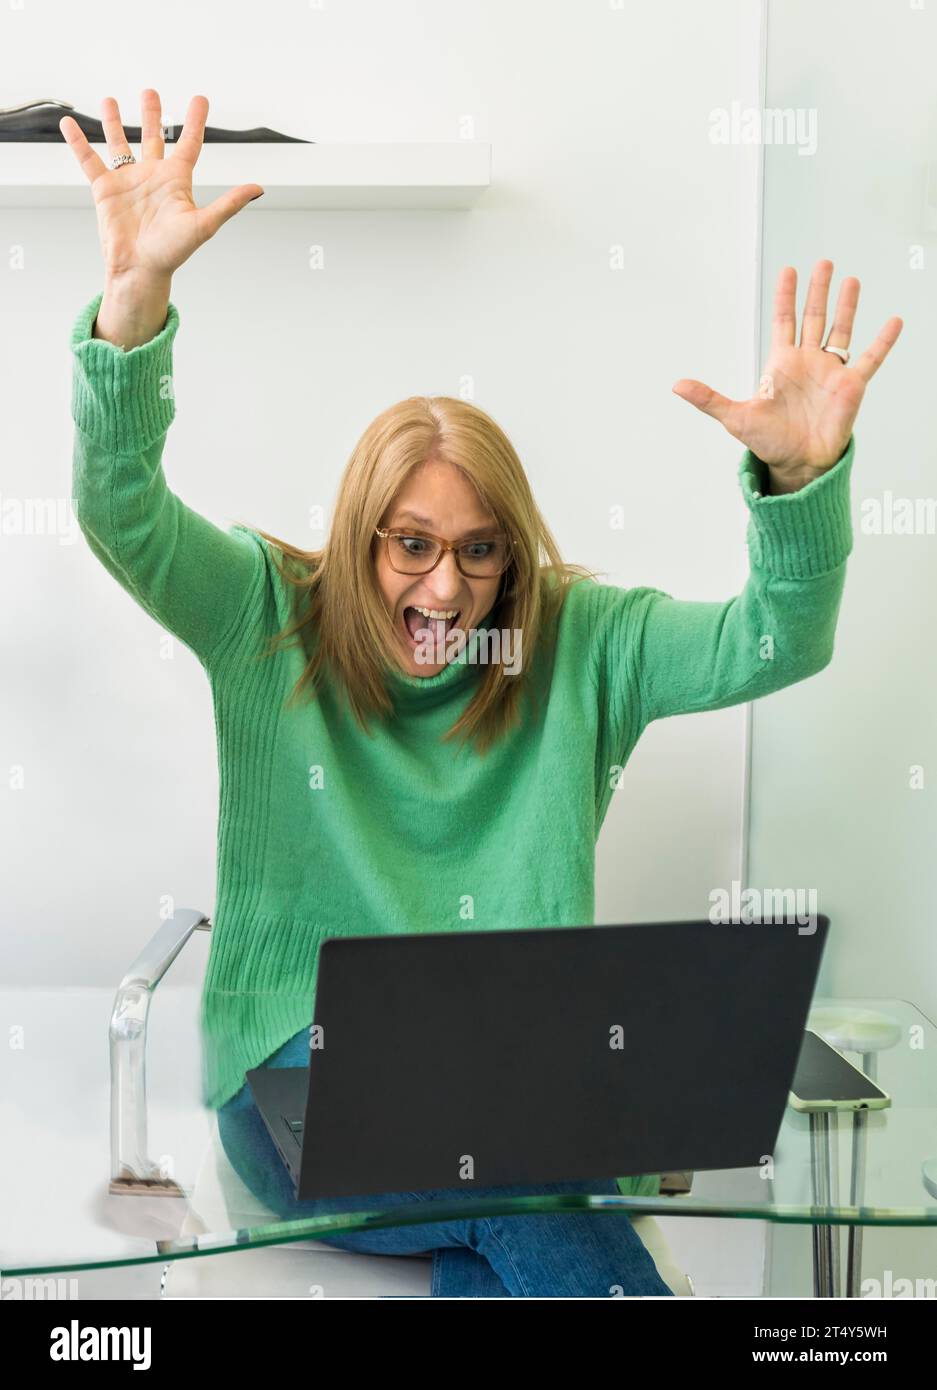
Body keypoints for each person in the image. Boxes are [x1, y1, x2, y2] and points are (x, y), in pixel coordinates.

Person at [62, 90, 902, 1298]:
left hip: (521, 1093)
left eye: (479, 550)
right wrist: (135, 308)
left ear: (515, 551)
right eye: (409, 544)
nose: (446, 588)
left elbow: (773, 643)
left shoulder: (579, 639)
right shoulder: (264, 615)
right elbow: (120, 511)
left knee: (509, 1210)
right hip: (292, 1088)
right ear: (358, 541)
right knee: (531, 1184)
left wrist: (797, 476)